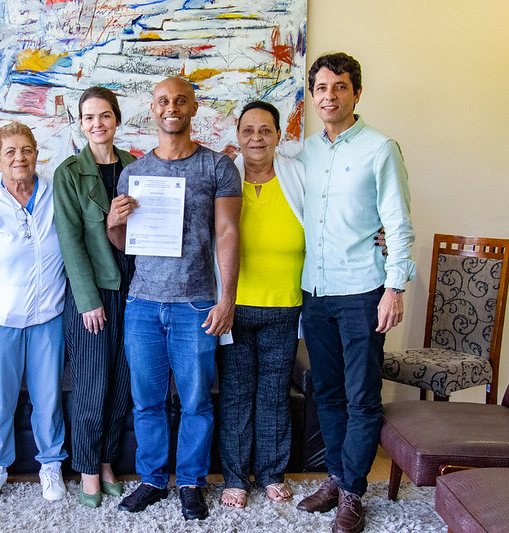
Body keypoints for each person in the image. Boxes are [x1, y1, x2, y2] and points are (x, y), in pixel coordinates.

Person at [107, 77, 242, 521]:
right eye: (164, 101)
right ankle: (151, 479)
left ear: (193, 107)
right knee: (146, 402)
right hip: (143, 304)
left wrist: (227, 300)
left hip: (196, 304)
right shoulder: (134, 172)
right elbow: (126, 244)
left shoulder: (218, 167)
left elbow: (228, 232)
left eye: (181, 100)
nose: (172, 107)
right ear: (153, 108)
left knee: (196, 402)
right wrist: (113, 223)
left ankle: (190, 482)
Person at [295, 52, 415, 533]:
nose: (330, 96)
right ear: (313, 96)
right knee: (326, 392)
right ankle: (336, 476)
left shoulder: (381, 148)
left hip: (364, 289)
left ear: (356, 93)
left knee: (361, 396)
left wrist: (395, 288)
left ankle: (352, 492)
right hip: (315, 291)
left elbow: (398, 224)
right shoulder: (304, 153)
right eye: (322, 87)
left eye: (340, 86)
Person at [0, 122, 68, 503]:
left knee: (48, 399)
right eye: (10, 152)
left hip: (48, 316)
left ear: (37, 153)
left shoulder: (55, 194)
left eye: (26, 150)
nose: (19, 158)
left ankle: (50, 466)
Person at [217, 101, 304, 509]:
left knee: (273, 395)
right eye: (248, 130)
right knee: (236, 395)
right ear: (237, 136)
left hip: (285, 307)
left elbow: (331, 214)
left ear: (279, 135)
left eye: (265, 130)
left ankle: (271, 473)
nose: (256, 138)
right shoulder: (224, 177)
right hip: (234, 307)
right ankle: (235, 478)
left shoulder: (298, 175)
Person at [53, 87, 136, 508]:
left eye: (105, 115)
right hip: (92, 293)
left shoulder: (136, 167)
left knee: (121, 384)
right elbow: (70, 242)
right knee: (91, 385)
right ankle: (87, 468)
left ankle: (106, 463)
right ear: (81, 124)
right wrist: (88, 300)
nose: (97, 124)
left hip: (133, 291)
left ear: (116, 119)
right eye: (89, 117)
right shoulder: (68, 173)